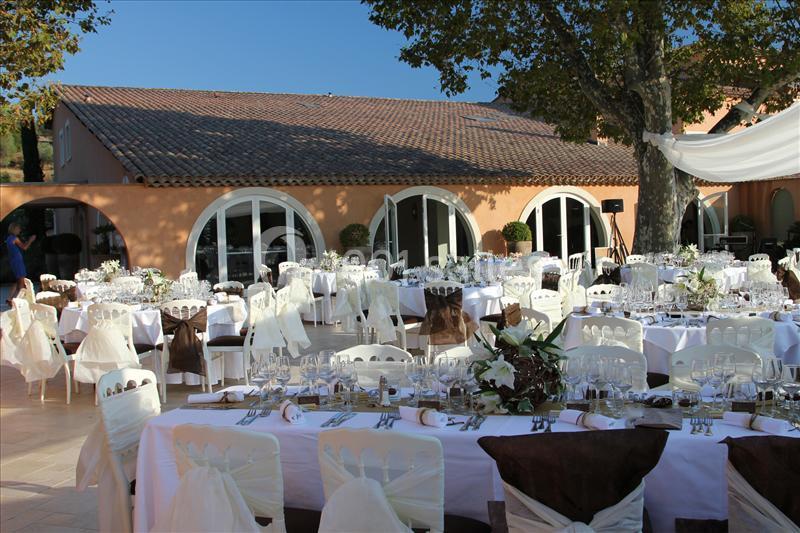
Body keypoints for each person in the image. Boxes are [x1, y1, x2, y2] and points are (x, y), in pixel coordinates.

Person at [5, 223, 36, 303]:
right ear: (14, 229)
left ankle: (10, 298)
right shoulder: (15, 238)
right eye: (18, 228)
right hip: (17, 261)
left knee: (17, 280)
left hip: (13, 261)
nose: (19, 230)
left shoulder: (8, 238)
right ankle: (19, 300)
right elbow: (24, 247)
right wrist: (30, 240)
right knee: (21, 282)